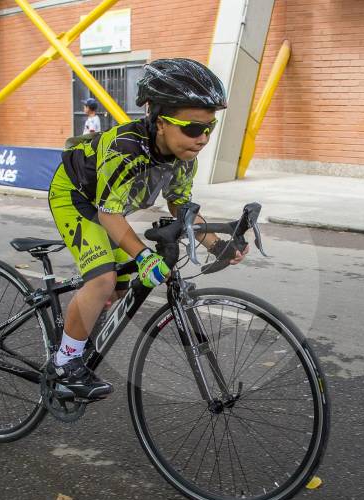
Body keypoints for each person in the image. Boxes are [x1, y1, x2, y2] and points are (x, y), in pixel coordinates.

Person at [46, 58, 248, 400]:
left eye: (209, 128)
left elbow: (181, 207)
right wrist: (143, 256)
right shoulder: (125, 149)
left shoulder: (185, 159)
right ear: (158, 121)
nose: (203, 138)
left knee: (123, 287)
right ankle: (64, 364)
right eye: (193, 128)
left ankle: (79, 332)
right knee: (102, 279)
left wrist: (217, 245)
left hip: (108, 206)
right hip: (77, 197)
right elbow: (108, 215)